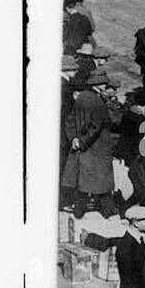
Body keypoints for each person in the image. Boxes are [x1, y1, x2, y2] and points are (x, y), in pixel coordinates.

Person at [60, 70, 120, 218]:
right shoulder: (97, 101)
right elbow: (96, 126)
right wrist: (82, 142)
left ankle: (79, 210)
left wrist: (74, 138)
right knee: (102, 181)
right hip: (96, 147)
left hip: (81, 147)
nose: (106, 87)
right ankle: (107, 211)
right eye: (104, 84)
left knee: (82, 182)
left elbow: (70, 120)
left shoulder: (81, 98)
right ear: (98, 85)